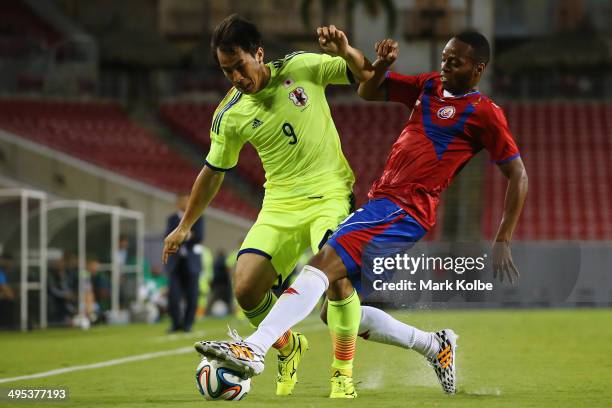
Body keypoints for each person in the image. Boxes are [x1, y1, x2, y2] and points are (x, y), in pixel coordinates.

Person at [194, 30, 528, 398]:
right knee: (336, 308)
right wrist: (375, 61)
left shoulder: (485, 113)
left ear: (478, 69)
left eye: (456, 61)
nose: (445, 65)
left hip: (406, 207)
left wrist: (503, 236)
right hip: (381, 203)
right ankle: (435, 346)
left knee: (323, 265)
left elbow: (518, 174)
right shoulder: (429, 85)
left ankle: (254, 349)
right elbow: (369, 89)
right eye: (445, 57)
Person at [162, 14, 375, 396]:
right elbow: (212, 172)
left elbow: (364, 73)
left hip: (329, 193)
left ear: (258, 54)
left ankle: (342, 372)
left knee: (336, 277)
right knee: (245, 288)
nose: (236, 78)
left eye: (239, 66)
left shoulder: (301, 68)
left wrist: (345, 50)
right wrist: (185, 224)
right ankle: (288, 346)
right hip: (279, 203)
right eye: (226, 71)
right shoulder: (229, 115)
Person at [165, 192, 204, 333]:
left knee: (192, 296)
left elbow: (199, 236)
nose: (186, 204)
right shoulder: (171, 219)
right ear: (178, 203)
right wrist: (187, 235)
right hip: (175, 263)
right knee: (173, 296)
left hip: (191, 263)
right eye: (184, 201)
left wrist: (181, 235)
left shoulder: (197, 218)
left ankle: (188, 324)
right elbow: (168, 236)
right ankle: (175, 323)